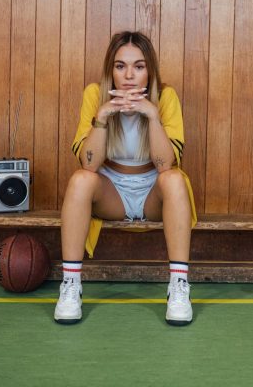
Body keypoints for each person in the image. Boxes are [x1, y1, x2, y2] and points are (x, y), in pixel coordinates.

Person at [54, 31, 196, 326]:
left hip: (151, 192)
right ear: (111, 70)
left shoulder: (165, 96)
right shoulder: (95, 94)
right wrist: (103, 117)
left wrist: (152, 117)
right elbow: (89, 164)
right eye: (120, 66)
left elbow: (165, 164)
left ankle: (179, 287)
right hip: (112, 192)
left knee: (174, 180)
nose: (129, 75)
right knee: (80, 180)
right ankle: (70, 286)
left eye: (139, 66)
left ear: (150, 70)